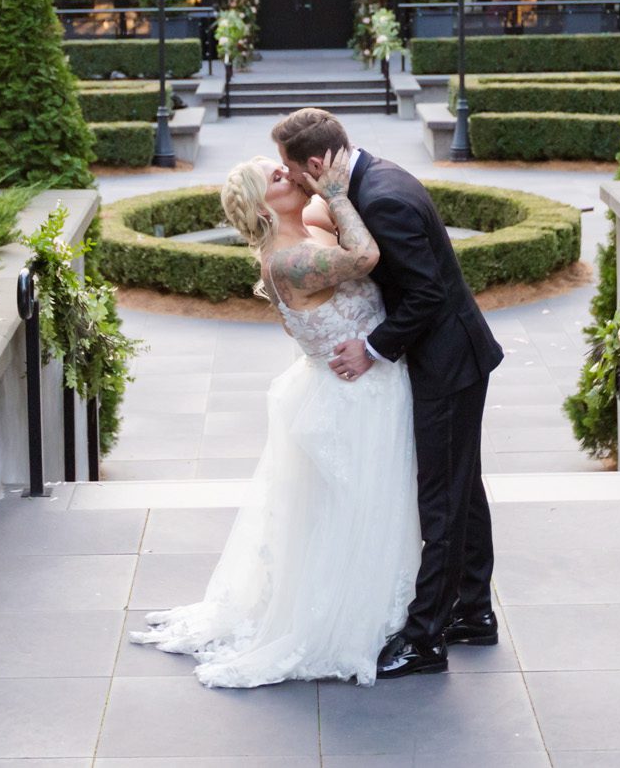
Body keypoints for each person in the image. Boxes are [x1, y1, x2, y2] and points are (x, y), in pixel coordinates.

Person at [128, 146, 421, 687]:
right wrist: (334, 192)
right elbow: (363, 258)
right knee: (359, 511)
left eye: (281, 166)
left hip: (351, 387)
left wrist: (320, 192)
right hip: (356, 396)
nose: (287, 173)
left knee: (350, 513)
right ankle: (349, 619)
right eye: (275, 176)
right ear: (263, 209)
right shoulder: (290, 259)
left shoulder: (299, 231)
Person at [276, 108, 504, 679]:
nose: (294, 181)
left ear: (312, 164)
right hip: (453, 357)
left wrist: (373, 347)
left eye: (291, 170)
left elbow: (425, 295)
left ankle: (426, 638)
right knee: (461, 488)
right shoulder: (372, 179)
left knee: (443, 501)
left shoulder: (382, 201)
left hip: (447, 363)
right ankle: (474, 611)